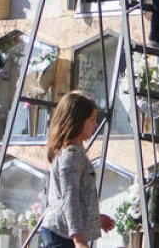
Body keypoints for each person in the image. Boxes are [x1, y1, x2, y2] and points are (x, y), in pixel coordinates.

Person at [41, 91, 115, 248]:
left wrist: (96, 219)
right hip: (62, 233)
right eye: (92, 120)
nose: (95, 124)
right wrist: (79, 240)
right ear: (77, 121)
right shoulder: (71, 156)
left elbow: (80, 198)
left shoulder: (77, 154)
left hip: (66, 232)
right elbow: (70, 198)